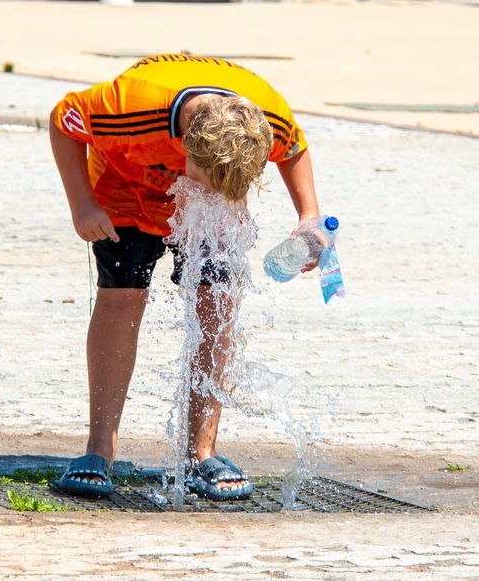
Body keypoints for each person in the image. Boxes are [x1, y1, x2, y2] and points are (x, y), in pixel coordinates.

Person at [47, 54, 320, 501]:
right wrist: (81, 204)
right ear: (185, 147)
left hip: (200, 195)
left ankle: (202, 452)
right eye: (207, 181)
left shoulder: (267, 115)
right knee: (124, 297)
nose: (210, 195)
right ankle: (100, 449)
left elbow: (293, 149)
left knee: (218, 304)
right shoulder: (128, 106)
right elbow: (63, 120)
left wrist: (309, 216)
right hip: (126, 189)